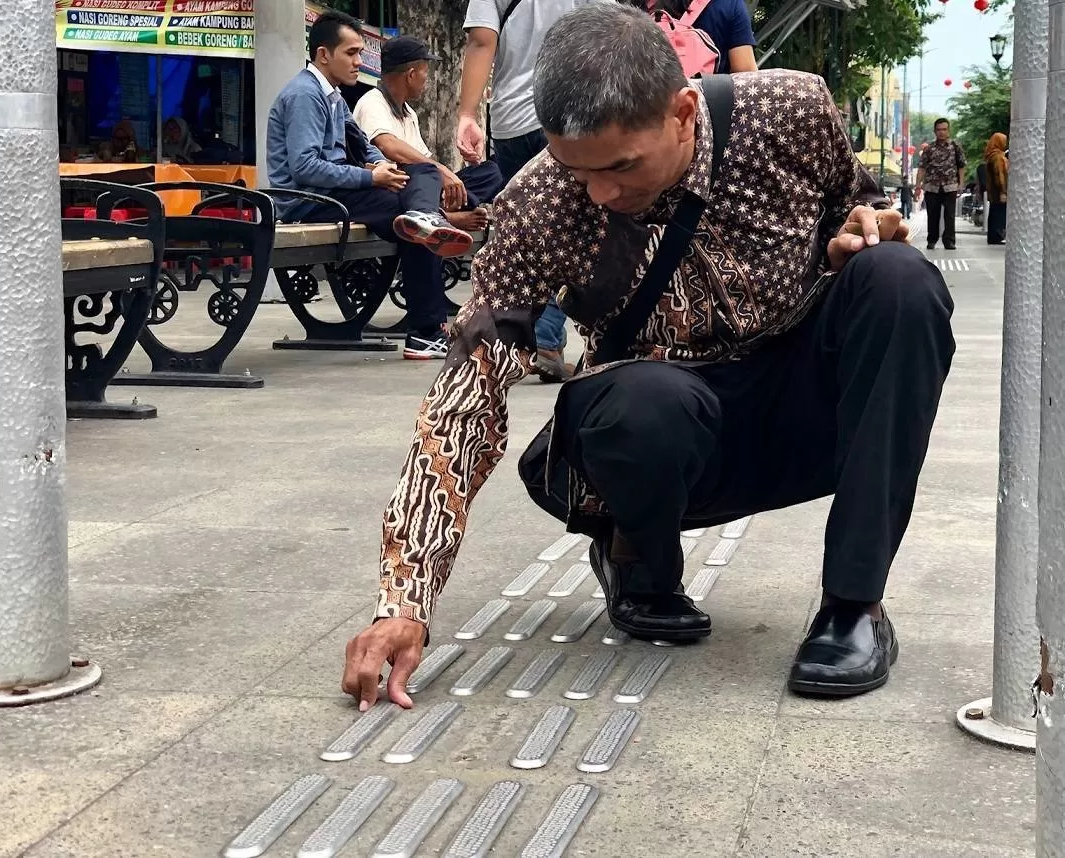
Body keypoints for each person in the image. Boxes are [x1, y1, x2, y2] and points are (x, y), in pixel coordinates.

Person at [343, 4, 955, 711]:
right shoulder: (537, 204)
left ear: (684, 111)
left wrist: (862, 230)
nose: (601, 192)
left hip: (802, 404)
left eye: (623, 165)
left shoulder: (790, 109)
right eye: (579, 170)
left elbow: (856, 205)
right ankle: (639, 560)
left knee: (902, 282)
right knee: (645, 406)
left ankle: (854, 606)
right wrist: (406, 599)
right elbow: (466, 398)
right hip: (659, 430)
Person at [266, 11, 474, 360]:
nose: (359, 62)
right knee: (418, 209)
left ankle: (424, 224)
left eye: (360, 53)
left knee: (421, 179)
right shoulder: (305, 95)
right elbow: (305, 168)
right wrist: (370, 177)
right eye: (351, 53)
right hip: (309, 201)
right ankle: (426, 331)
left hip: (336, 193)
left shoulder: (332, 95)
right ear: (323, 55)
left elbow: (364, 144)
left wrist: (380, 163)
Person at [456, 0, 588, 383]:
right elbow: (609, 33)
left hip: (513, 122)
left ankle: (509, 339)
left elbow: (482, 42)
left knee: (526, 233)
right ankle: (545, 336)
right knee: (577, 231)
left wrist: (467, 115)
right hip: (572, 114)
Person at [352, 36, 503, 233]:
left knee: (491, 172)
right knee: (426, 174)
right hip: (391, 190)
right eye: (426, 72)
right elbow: (387, 144)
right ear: (412, 75)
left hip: (421, 188)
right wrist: (441, 170)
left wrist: (450, 178)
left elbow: (425, 162)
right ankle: (441, 216)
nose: (427, 79)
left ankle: (437, 210)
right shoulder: (372, 102)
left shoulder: (409, 113)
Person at [630, 0, 759, 73]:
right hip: (705, 114)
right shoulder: (729, 4)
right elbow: (746, 75)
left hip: (645, 114)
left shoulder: (633, 8)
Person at [915, 118, 966, 250]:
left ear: (948, 130)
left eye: (944, 129)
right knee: (932, 215)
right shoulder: (929, 149)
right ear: (935, 131)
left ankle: (949, 241)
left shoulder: (955, 146)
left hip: (950, 186)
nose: (941, 132)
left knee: (949, 215)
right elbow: (922, 168)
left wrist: (961, 183)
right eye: (939, 130)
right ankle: (932, 240)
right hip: (932, 187)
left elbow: (961, 166)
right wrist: (917, 186)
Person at [983, 132, 1008, 245]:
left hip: (993, 191)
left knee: (993, 213)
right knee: (999, 214)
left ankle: (993, 237)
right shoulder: (998, 157)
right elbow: (1000, 175)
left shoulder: (991, 156)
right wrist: (1003, 191)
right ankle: (997, 236)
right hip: (998, 192)